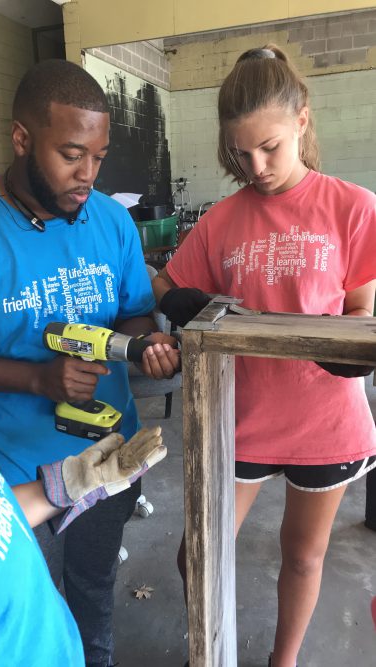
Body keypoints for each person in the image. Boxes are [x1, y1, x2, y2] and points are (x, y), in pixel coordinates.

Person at [0, 59, 179, 667]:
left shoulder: (110, 220)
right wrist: (37, 377)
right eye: (72, 155)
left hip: (106, 456)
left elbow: (133, 312)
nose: (87, 175)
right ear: (22, 139)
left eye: (99, 158)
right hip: (8, 471)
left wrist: (146, 345)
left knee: (92, 591)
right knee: (25, 608)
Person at [153, 45, 376, 667]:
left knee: (303, 555)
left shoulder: (352, 208)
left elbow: (361, 308)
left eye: (269, 148)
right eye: (240, 154)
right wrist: (184, 311)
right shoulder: (222, 221)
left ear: (302, 119)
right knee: (196, 551)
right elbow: (167, 287)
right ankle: (212, 643)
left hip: (326, 421)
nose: (256, 167)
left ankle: (285, 661)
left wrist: (348, 347)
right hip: (240, 419)